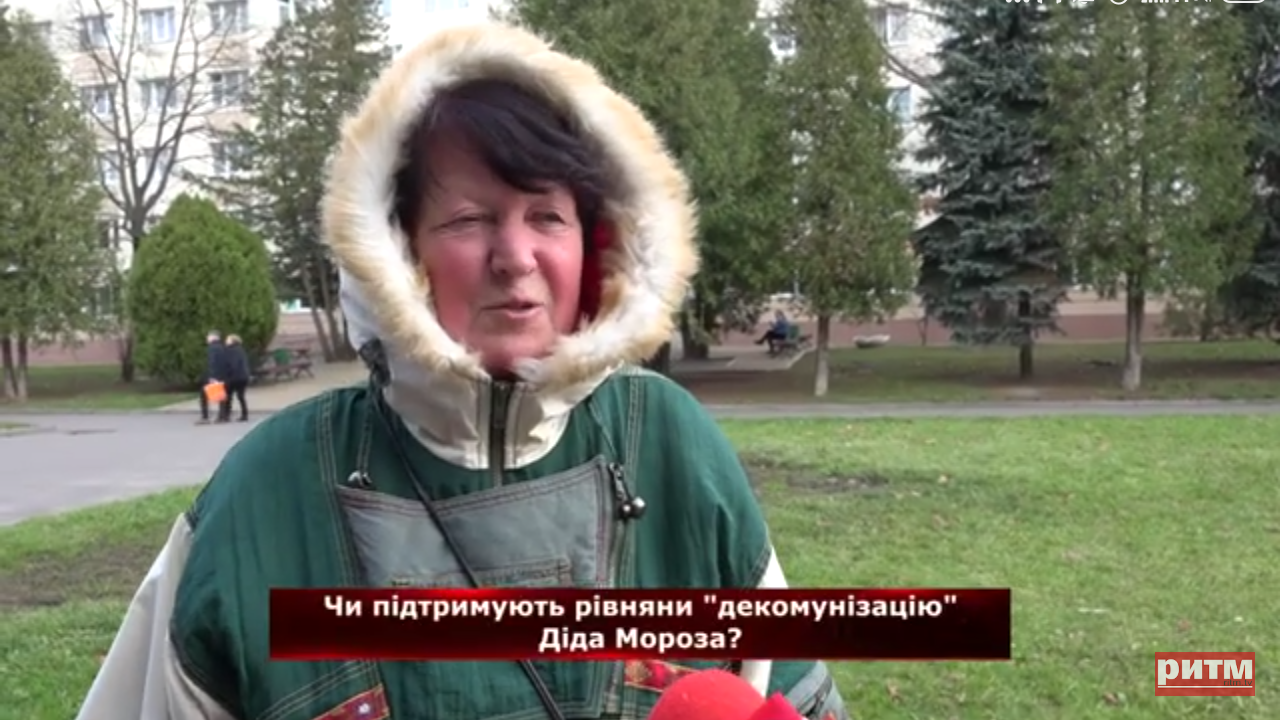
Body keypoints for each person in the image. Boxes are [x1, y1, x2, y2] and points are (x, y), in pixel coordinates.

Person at [76, 22, 850, 720]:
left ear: (596, 245)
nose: (515, 258)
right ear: (399, 252)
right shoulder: (262, 494)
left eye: (546, 217)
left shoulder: (675, 449)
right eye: (470, 219)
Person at [197, 330, 228, 425]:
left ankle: (205, 416)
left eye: (208, 336)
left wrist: (212, 376)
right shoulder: (223, 347)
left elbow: (213, 362)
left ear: (214, 337)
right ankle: (223, 416)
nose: (207, 338)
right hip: (222, 375)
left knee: (203, 395)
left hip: (214, 375)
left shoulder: (212, 348)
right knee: (221, 396)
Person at [222, 334, 251, 422]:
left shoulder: (230, 350)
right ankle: (244, 414)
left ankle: (226, 415)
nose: (226, 341)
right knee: (241, 396)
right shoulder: (241, 349)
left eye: (228, 339)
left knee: (228, 396)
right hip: (243, 376)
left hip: (234, 377)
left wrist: (226, 374)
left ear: (232, 341)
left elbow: (232, 364)